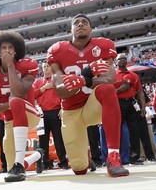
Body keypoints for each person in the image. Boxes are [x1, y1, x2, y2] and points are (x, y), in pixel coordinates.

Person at [47, 14, 129, 177]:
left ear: (91, 29)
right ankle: (85, 156)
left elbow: (110, 80)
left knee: (106, 89)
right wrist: (88, 74)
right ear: (71, 29)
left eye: (85, 22)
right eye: (76, 22)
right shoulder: (58, 50)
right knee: (79, 169)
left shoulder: (102, 46)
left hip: (94, 105)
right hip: (71, 111)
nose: (80, 24)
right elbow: (61, 91)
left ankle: (113, 157)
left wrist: (83, 79)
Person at [0, 30, 44, 182]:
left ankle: (21, 165)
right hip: (10, 120)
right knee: (12, 167)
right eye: (4, 47)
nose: (8, 50)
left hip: (29, 114)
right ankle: (37, 155)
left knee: (15, 100)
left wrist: (10, 66)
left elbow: (19, 93)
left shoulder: (26, 65)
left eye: (11, 47)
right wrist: (7, 106)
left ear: (16, 51)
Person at [33, 59, 69, 170]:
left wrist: (63, 107)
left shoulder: (57, 79)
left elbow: (65, 93)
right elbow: (32, 94)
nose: (46, 68)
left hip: (56, 111)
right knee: (42, 140)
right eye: (44, 67)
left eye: (48, 66)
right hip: (42, 114)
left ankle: (63, 162)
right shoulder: (38, 82)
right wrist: (44, 88)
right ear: (42, 69)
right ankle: (45, 163)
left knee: (59, 138)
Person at [114, 53, 146, 165]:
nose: (122, 60)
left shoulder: (134, 75)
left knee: (134, 131)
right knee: (117, 133)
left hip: (132, 103)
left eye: (124, 58)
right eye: (120, 59)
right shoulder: (112, 75)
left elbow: (140, 92)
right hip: (117, 104)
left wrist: (143, 107)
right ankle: (117, 158)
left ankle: (134, 158)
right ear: (116, 62)